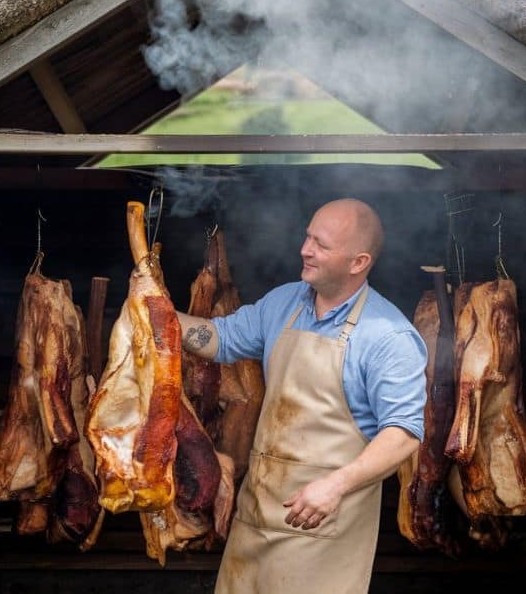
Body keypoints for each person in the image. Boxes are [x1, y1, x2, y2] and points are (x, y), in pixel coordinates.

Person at [176, 198, 427, 593]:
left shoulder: (387, 336)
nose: (305, 249)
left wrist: (337, 485)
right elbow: (220, 339)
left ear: (358, 262)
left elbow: (404, 433)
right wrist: (159, 316)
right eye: (308, 236)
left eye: (321, 245)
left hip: (320, 536)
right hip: (254, 525)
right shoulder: (285, 302)